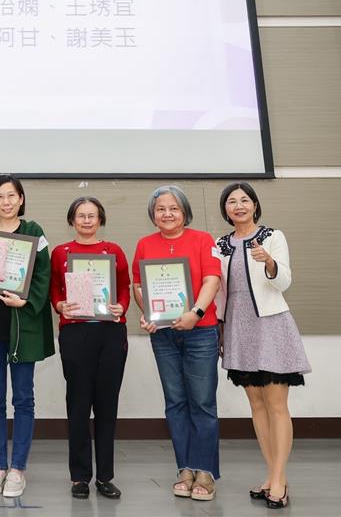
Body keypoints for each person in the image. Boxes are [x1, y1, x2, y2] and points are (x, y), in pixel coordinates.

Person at [216, 182, 310, 510]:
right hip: (238, 326)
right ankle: (271, 475)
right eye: (232, 201)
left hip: (271, 324)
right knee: (256, 406)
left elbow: (284, 281)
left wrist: (269, 261)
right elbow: (217, 290)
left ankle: (279, 479)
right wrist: (220, 328)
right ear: (225, 210)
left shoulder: (273, 237)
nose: (239, 206)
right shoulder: (219, 245)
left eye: (245, 200)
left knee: (277, 406)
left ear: (255, 205)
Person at [131, 185, 222, 501]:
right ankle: (185, 468)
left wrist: (196, 313)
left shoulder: (203, 240)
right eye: (160, 209)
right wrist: (148, 315)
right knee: (175, 403)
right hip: (164, 335)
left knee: (203, 403)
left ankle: (205, 471)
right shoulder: (145, 244)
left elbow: (212, 280)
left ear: (185, 212)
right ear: (153, 214)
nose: (167, 214)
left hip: (201, 331)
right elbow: (139, 285)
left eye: (173, 208)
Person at [0, 174, 54, 498]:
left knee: (23, 399)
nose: (6, 202)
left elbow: (44, 275)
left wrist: (26, 301)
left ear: (21, 199)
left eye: (11, 196)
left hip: (23, 328)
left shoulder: (34, 231)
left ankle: (17, 468)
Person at [49, 197, 130, 500]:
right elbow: (54, 287)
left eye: (91, 216)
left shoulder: (114, 251)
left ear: (100, 219)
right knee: (79, 405)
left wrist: (121, 305)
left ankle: (105, 477)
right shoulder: (61, 252)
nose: (86, 220)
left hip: (110, 333)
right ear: (72, 220)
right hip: (75, 333)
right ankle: (80, 477)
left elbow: (124, 285)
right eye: (81, 216)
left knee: (107, 405)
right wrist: (59, 305)